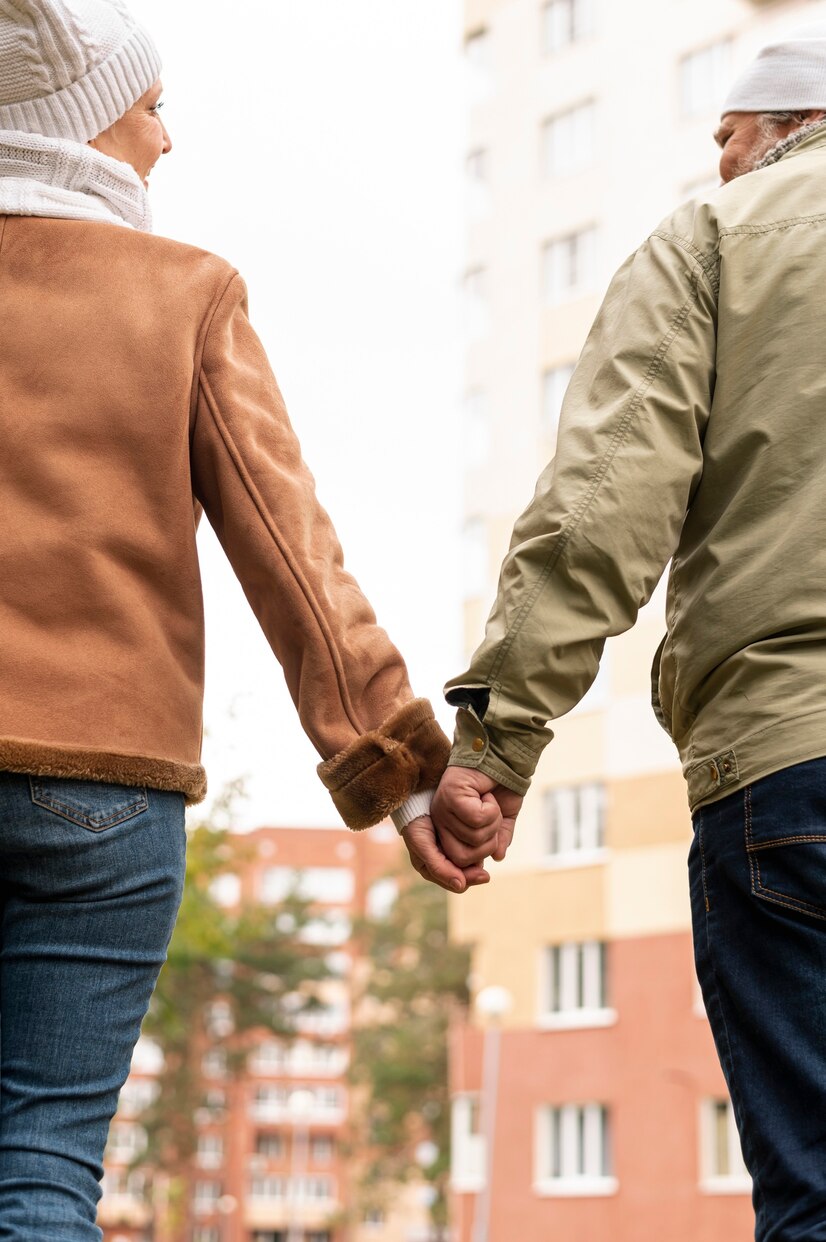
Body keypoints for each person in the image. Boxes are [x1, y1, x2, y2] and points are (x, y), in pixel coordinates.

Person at [0, 1, 483, 1235]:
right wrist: (403, 775)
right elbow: (293, 555)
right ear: (79, 123)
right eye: (150, 108)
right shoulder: (184, 294)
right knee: (41, 1159)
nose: (167, 142)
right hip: (102, 794)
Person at [428, 22, 826, 1242]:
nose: (718, 165)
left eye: (728, 138)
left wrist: (493, 750)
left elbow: (604, 505)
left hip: (791, 766)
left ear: (787, 129)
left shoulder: (720, 240)